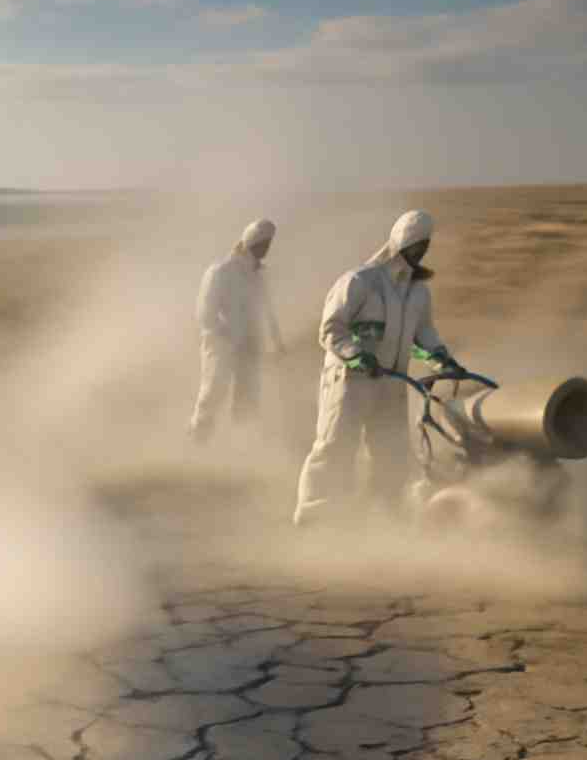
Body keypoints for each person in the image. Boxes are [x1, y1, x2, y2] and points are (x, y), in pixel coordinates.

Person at [292, 209, 460, 526]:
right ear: (400, 241)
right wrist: (354, 354)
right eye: (415, 245)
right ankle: (313, 513)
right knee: (335, 445)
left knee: (391, 450)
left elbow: (422, 333)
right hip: (349, 380)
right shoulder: (360, 281)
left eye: (425, 246)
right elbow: (331, 329)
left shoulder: (417, 292)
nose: (420, 252)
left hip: (392, 382)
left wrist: (440, 356)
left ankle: (385, 514)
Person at [189, 218, 285, 441]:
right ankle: (198, 437)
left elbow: (268, 310)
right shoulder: (221, 271)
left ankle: (241, 445)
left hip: (251, 344)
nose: (267, 249)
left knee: (248, 395)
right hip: (221, 344)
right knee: (213, 391)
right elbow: (205, 311)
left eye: (269, 244)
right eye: (263, 243)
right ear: (252, 242)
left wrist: (277, 342)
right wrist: (224, 336)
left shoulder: (259, 275)